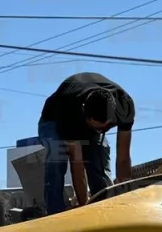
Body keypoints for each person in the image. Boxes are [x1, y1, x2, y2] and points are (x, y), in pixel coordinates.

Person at [38, 72, 136, 214]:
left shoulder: (125, 105)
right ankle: (54, 211)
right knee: (56, 157)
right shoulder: (69, 111)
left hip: (81, 115)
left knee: (98, 160)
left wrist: (125, 193)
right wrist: (84, 208)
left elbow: (123, 157)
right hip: (53, 119)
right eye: (95, 127)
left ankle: (104, 207)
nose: (100, 131)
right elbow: (77, 163)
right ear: (85, 112)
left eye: (104, 127)